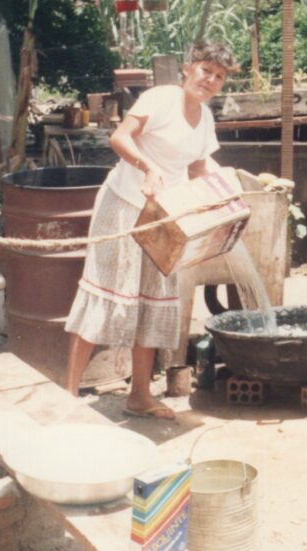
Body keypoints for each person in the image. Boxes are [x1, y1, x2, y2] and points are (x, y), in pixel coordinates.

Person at [63, 41, 237, 419]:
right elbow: (119, 138)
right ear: (189, 68)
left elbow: (198, 166)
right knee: (104, 292)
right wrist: (148, 168)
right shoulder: (160, 99)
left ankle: (139, 395)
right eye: (206, 70)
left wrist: (229, 193)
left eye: (219, 77)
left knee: (152, 298)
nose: (210, 80)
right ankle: (68, 397)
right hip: (124, 205)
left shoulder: (204, 118)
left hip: (163, 216)